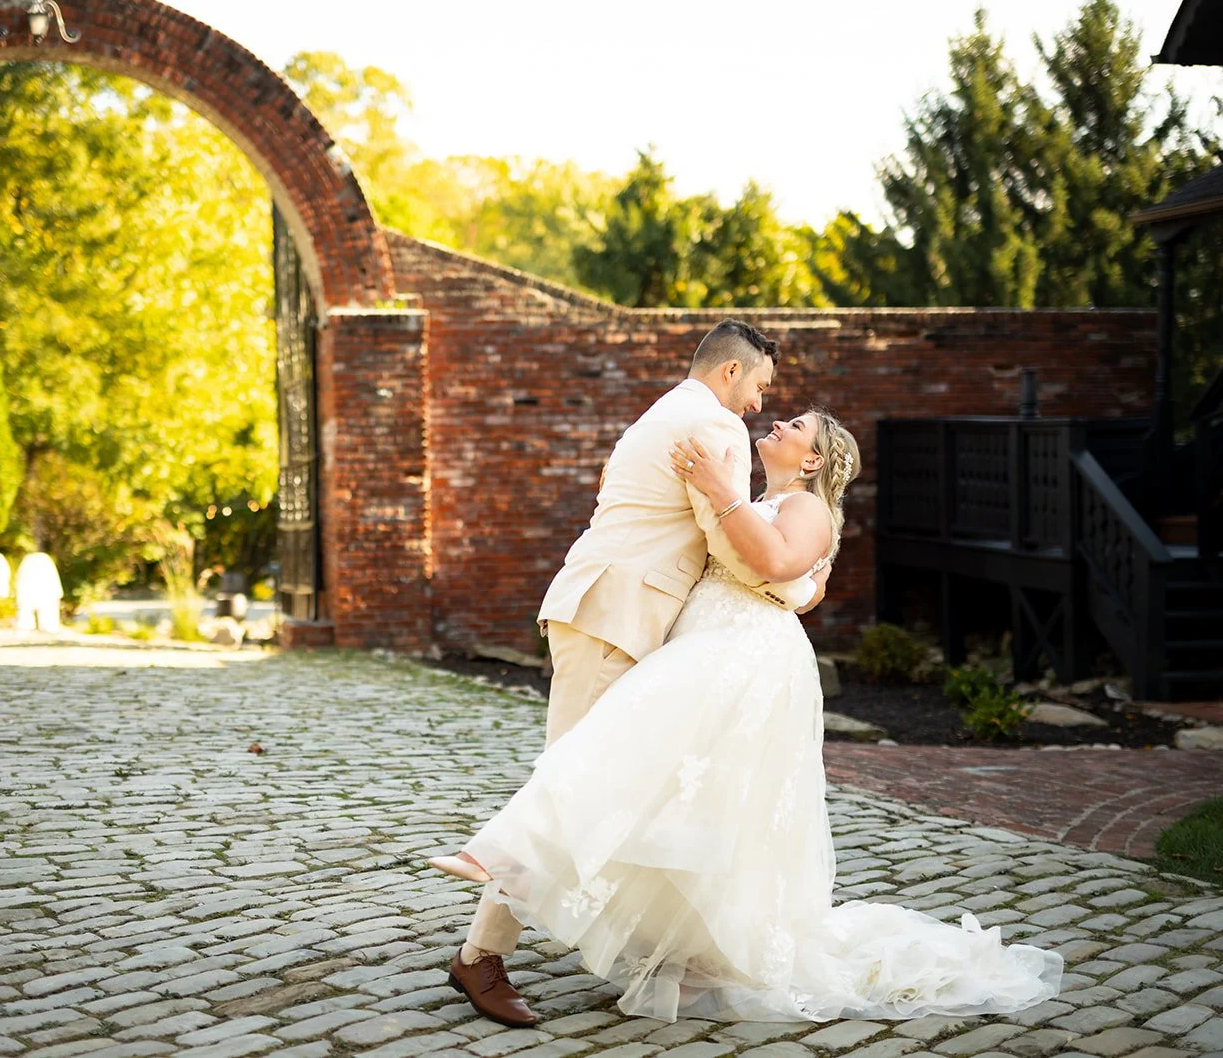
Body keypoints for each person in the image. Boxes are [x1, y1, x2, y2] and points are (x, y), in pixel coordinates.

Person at [431, 406, 1063, 1024]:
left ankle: (512, 861)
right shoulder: (753, 500)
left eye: (798, 428)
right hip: (705, 644)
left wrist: (719, 490)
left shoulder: (808, 507)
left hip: (742, 656)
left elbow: (779, 567)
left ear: (812, 459)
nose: (779, 423)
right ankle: (599, 902)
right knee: (673, 791)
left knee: (638, 756)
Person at [430, 319, 815, 1027]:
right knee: (572, 789)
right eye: (760, 386)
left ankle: (651, 944)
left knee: (597, 787)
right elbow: (730, 547)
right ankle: (478, 955)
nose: (760, 405)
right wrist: (787, 583)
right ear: (731, 373)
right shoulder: (716, 431)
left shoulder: (664, 410)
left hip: (603, 607)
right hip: (615, 615)